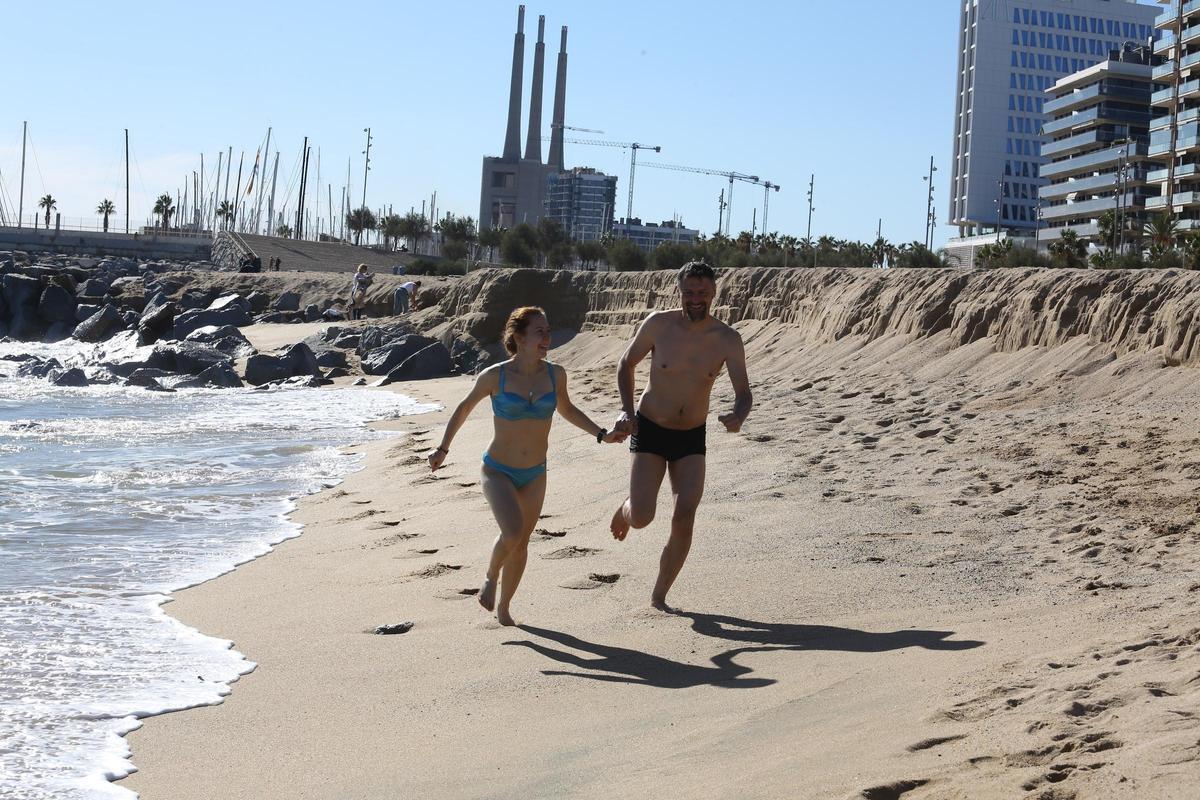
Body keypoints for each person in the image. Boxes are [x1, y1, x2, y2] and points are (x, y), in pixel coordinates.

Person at [428, 306, 626, 626]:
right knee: (512, 531)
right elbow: (464, 408)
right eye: (540, 332)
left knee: (521, 543)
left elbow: (568, 409)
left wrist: (602, 435)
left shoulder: (555, 374)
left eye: (548, 331)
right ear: (519, 338)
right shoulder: (495, 376)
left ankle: (505, 608)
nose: (547, 337)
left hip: (535, 473)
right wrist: (442, 449)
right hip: (498, 471)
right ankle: (491, 576)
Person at [609, 261, 753, 611]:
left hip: (691, 436)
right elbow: (626, 363)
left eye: (702, 292)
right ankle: (626, 509)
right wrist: (626, 410)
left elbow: (744, 392)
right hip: (651, 427)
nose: (695, 299)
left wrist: (739, 414)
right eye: (689, 292)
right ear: (680, 292)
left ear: (714, 293)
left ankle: (659, 596)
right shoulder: (659, 325)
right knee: (643, 517)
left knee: (685, 515)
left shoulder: (727, 340)